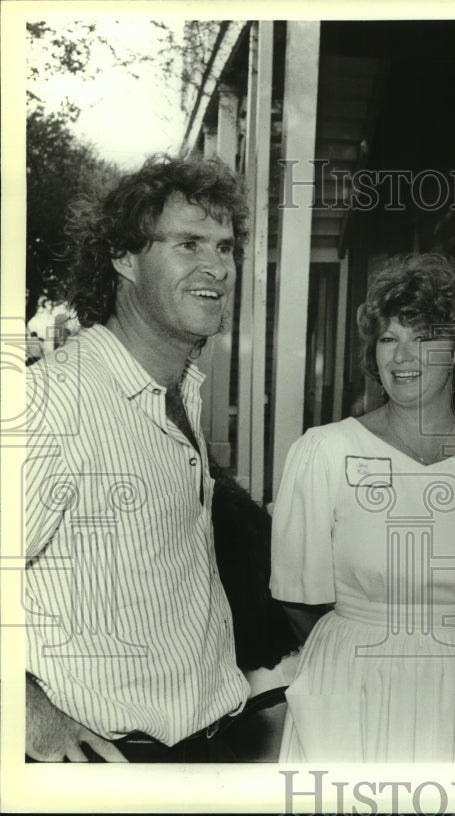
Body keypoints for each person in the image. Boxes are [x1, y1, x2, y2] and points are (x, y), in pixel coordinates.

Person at [270, 253, 455, 762]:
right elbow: (294, 595)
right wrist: (356, 653)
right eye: (389, 338)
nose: (402, 357)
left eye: (423, 339)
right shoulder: (324, 451)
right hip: (348, 680)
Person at [24, 154, 251, 762]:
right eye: (189, 244)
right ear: (124, 258)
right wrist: (25, 713)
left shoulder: (182, 392)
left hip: (201, 743)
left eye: (226, 248)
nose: (217, 268)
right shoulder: (54, 400)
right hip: (108, 759)